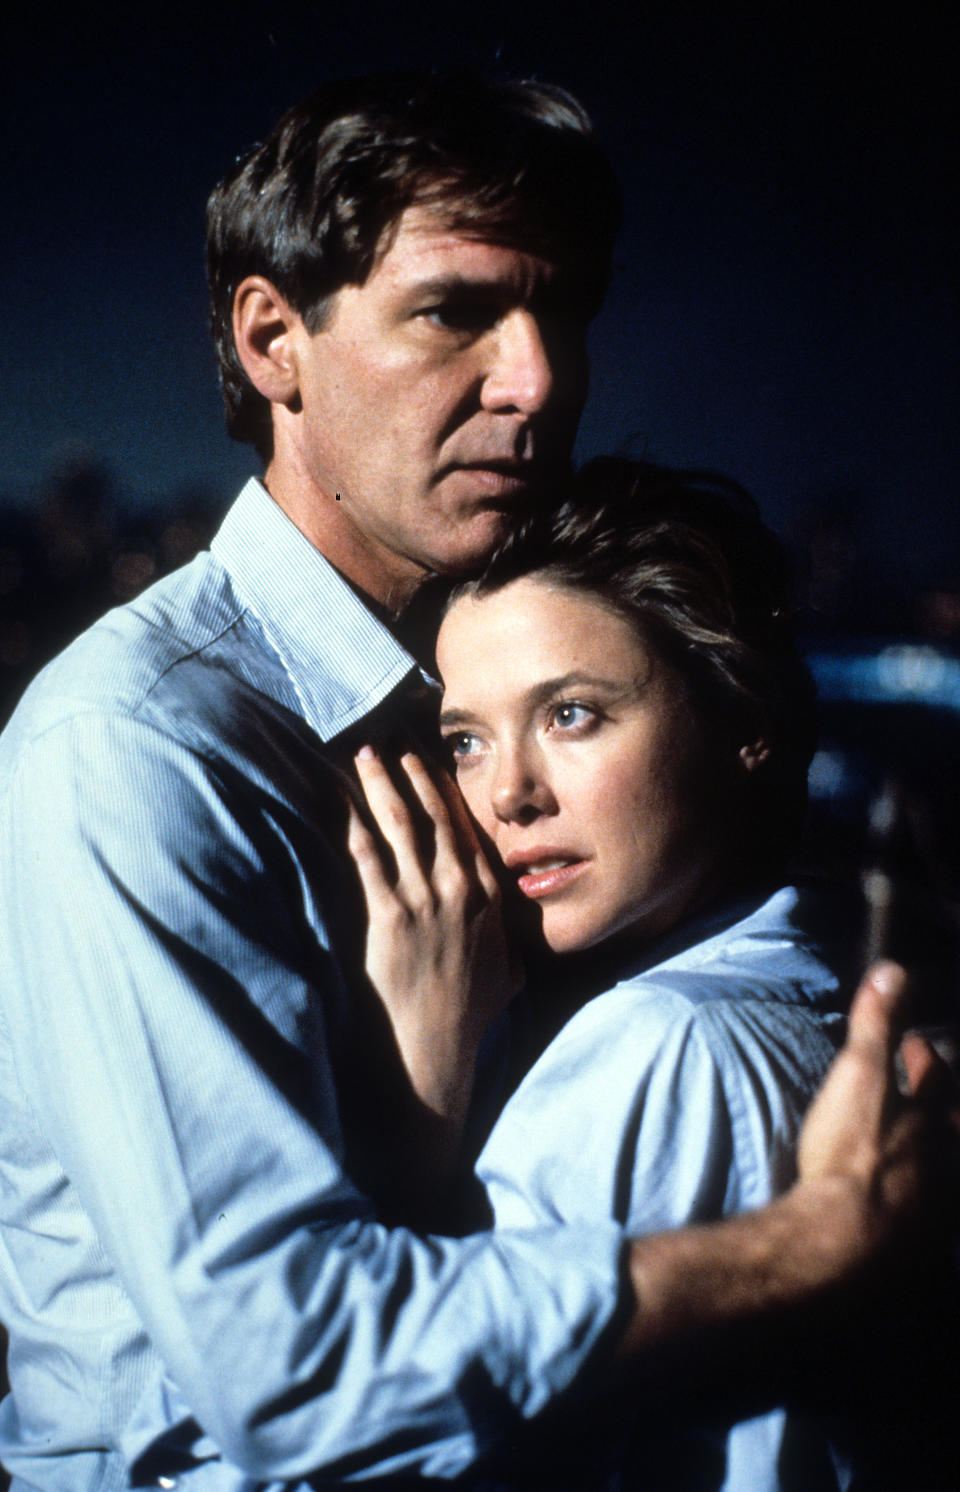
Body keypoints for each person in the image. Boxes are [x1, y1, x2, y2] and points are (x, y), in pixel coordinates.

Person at [0, 71, 953, 1492]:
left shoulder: (469, 672)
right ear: (276, 340)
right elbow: (294, 1373)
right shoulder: (143, 751)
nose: (539, 381)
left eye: (562, 311)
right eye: (456, 311)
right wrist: (805, 1246)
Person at [342, 458, 905, 1487]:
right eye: (466, 739)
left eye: (572, 715)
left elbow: (401, 1443)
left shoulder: (664, 1044)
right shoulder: (811, 976)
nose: (508, 793)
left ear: (744, 720)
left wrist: (419, 1095)